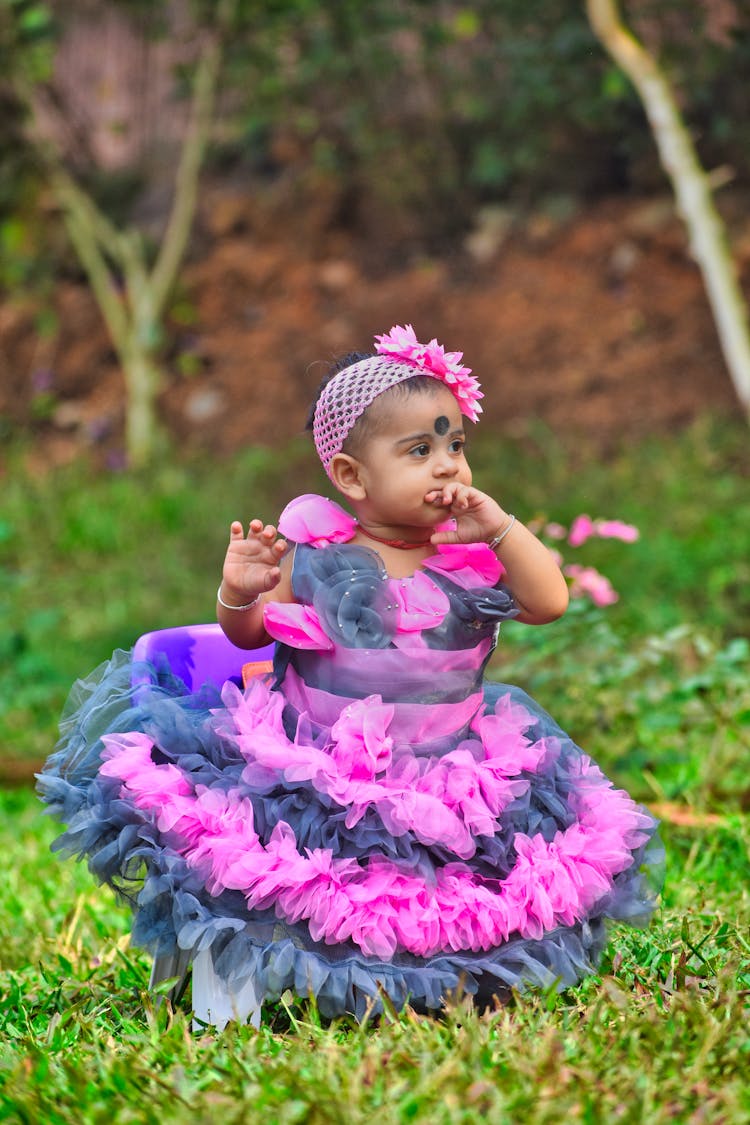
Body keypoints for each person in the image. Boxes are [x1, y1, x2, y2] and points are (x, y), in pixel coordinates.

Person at [38, 324, 661, 1029]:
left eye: (455, 444)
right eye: (420, 450)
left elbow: (549, 600)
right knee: (285, 868)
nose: (448, 466)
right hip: (319, 773)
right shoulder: (316, 558)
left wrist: (501, 526)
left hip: (449, 776)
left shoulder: (468, 562)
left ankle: (457, 979)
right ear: (352, 476)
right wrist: (243, 588)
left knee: (473, 881)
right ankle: (263, 976)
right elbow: (246, 635)